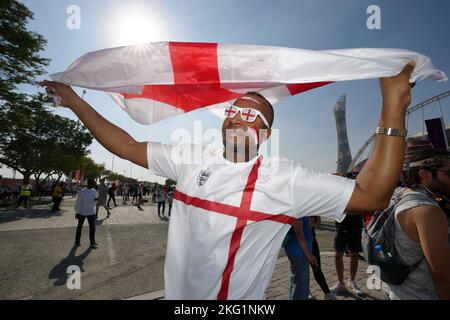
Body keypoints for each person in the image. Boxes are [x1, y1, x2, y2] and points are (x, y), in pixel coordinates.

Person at [40, 61, 416, 299]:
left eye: (253, 116)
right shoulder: (190, 157)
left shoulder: (284, 179)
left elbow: (372, 195)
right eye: (235, 111)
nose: (239, 118)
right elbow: (124, 145)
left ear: (266, 135)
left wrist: (393, 105)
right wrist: (74, 101)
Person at [382, 148, 450, 300]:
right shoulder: (426, 211)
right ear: (424, 175)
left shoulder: (398, 194)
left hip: (398, 290)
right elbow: (444, 277)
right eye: (448, 174)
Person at [330, 213, 364, 296]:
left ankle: (351, 281)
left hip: (356, 226)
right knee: (338, 255)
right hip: (341, 225)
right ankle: (340, 283)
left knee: (354, 255)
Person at [284, 217, 316, 300]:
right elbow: (298, 231)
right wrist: (309, 254)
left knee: (297, 281)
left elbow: (315, 222)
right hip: (298, 251)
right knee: (300, 285)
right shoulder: (298, 206)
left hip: (299, 250)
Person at [310, 216, 337, 300]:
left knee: (317, 267)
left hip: (311, 240)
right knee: (302, 270)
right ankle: (305, 291)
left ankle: (327, 293)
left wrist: (311, 221)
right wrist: (310, 222)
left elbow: (318, 221)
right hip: (298, 242)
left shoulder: (310, 205)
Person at [75, 179, 98, 249]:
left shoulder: (94, 191)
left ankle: (92, 242)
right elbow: (78, 202)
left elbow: (95, 201)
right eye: (93, 183)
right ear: (89, 183)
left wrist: (96, 200)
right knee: (79, 227)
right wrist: (77, 212)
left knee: (92, 228)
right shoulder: (82, 191)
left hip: (91, 212)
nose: (94, 184)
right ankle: (77, 241)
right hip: (82, 212)